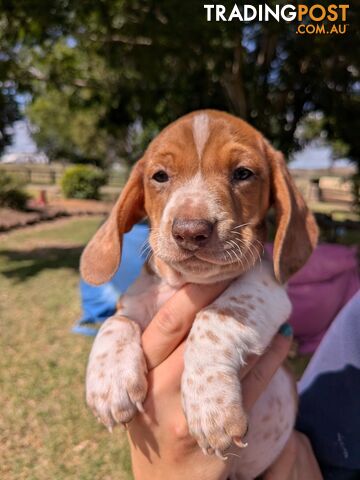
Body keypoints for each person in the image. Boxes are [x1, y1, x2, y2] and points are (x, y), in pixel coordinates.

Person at [76, 225, 360, 479]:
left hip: (280, 458)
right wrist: (117, 333)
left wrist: (213, 355)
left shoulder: (258, 267)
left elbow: (273, 295)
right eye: (161, 177)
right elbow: (129, 312)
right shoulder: (149, 281)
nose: (193, 223)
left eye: (241, 174)